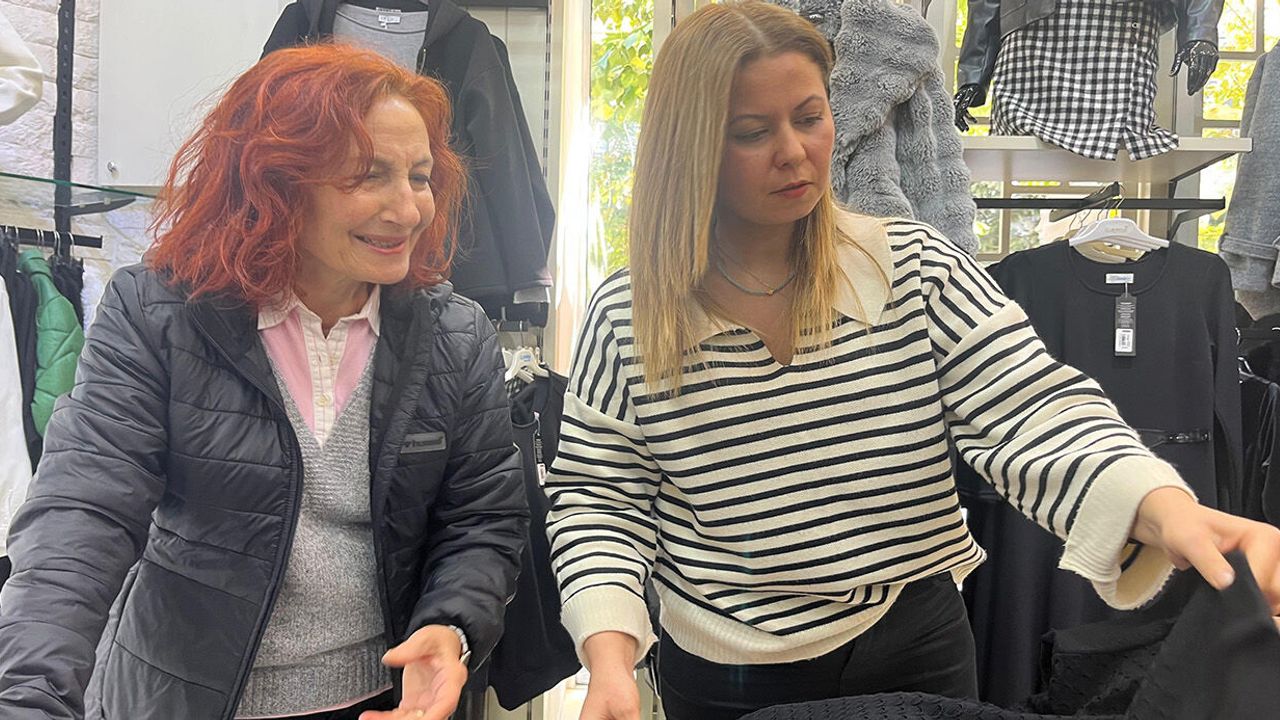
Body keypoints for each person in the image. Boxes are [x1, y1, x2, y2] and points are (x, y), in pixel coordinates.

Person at [543, 3, 1280, 720]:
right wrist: (608, 657)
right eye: (751, 132)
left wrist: (1162, 506)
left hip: (912, 646)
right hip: (726, 670)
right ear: (690, 145)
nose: (794, 152)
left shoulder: (914, 267)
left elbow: (1032, 410)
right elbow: (599, 499)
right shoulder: (629, 313)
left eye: (810, 117)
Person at [0, 44, 528, 720]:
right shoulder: (160, 315)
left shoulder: (456, 336)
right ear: (276, 181)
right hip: (179, 700)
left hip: (379, 701)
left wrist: (452, 625)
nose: (408, 209)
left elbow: (481, 519)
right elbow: (83, 513)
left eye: (420, 177)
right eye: (369, 176)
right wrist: (31, 693)